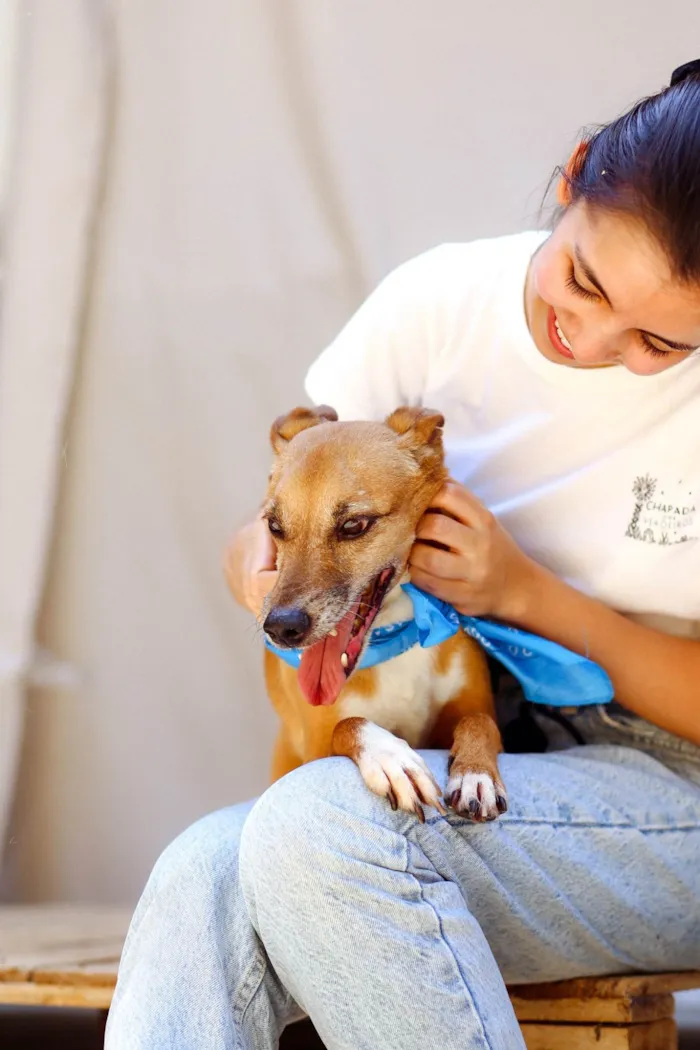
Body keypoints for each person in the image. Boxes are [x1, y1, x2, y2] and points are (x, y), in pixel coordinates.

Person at [105, 62, 700, 1050]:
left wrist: (525, 594)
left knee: (319, 826)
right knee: (199, 871)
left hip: (666, 790)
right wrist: (281, 582)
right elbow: (283, 512)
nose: (593, 339)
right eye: (584, 280)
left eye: (659, 342)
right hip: (471, 759)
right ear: (574, 172)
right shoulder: (435, 305)